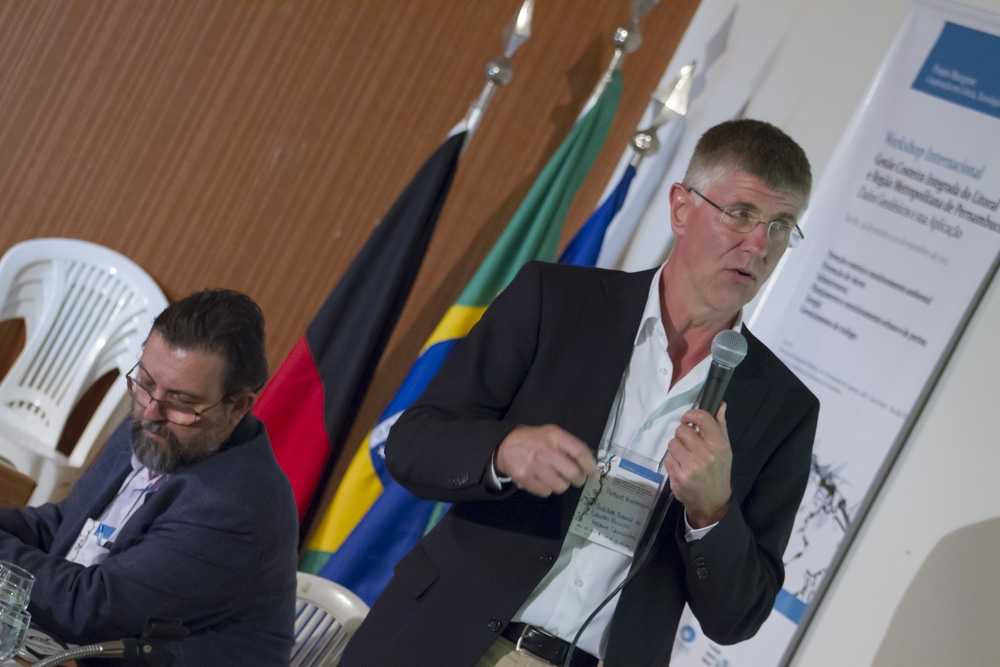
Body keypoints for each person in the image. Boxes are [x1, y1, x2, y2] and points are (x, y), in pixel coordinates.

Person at [340, 119, 821, 667]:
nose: (759, 245)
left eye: (781, 226)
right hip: (443, 640)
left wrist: (713, 512)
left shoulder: (783, 406)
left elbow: (739, 617)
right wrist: (504, 452)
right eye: (740, 214)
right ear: (681, 209)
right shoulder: (555, 300)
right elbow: (413, 443)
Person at [0, 289, 298, 666]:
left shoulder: (235, 506)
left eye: (182, 402)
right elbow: (63, 527)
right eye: (144, 382)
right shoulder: (153, 423)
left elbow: (90, 608)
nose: (151, 412)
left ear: (238, 405)